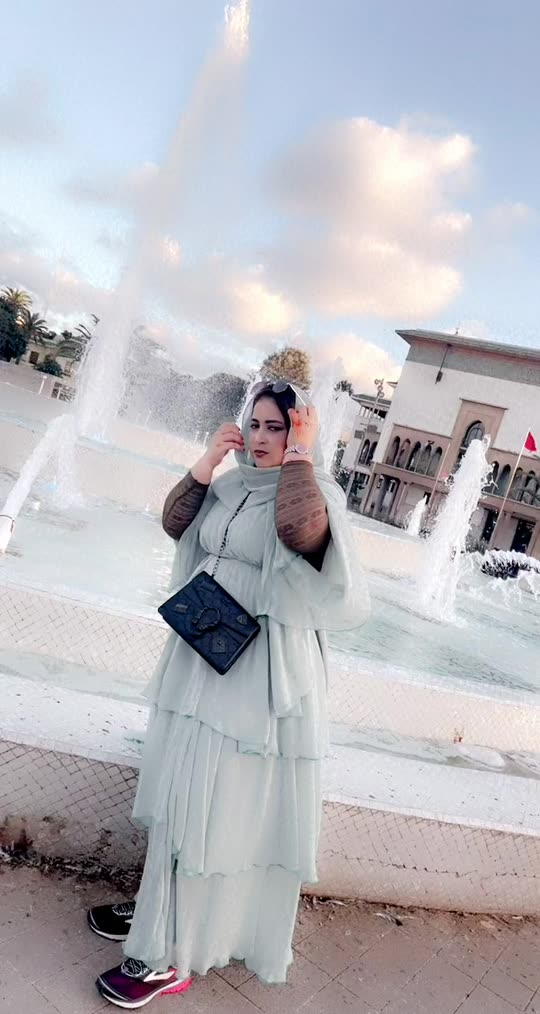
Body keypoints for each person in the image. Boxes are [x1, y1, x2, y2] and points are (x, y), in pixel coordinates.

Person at [88, 380, 369, 1009]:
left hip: (255, 674)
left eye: (278, 427)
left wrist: (301, 454)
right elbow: (176, 524)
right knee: (178, 789)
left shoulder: (315, 492)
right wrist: (208, 461)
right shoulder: (232, 485)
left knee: (209, 801)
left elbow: (299, 532)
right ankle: (158, 907)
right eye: (257, 424)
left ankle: (170, 953)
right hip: (204, 652)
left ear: (300, 431)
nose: (263, 438)